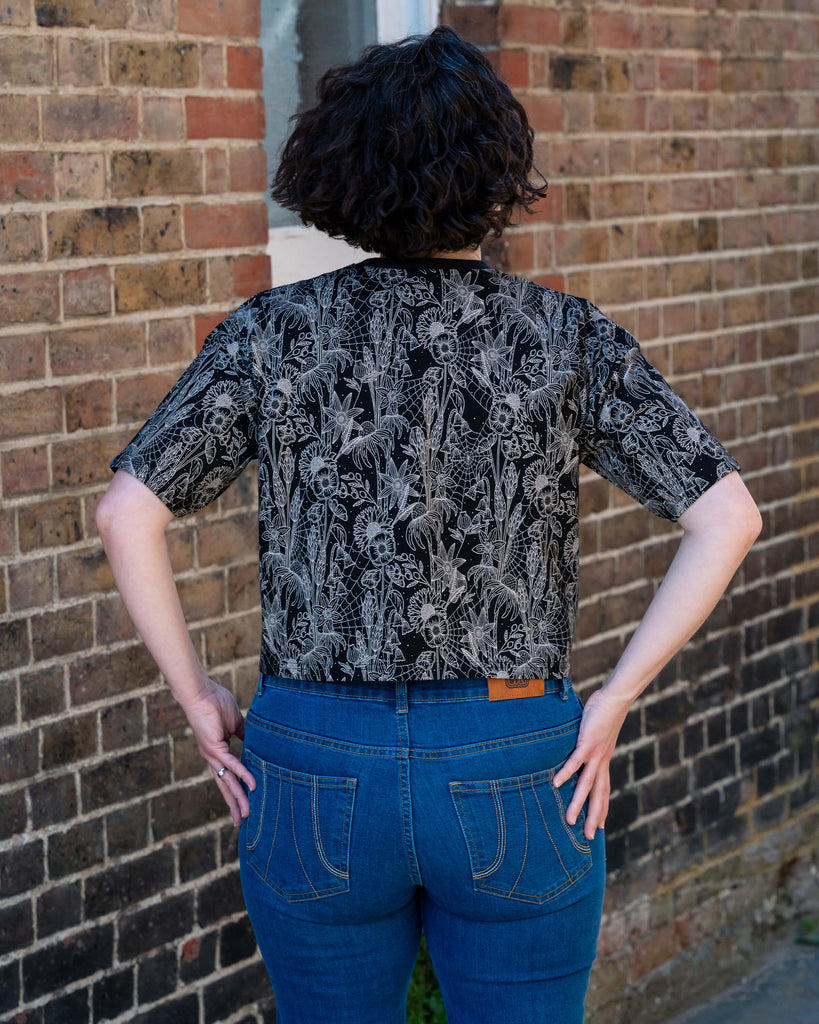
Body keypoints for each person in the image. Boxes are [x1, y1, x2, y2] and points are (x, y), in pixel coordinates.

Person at [97, 26, 761, 1024]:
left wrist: (196, 695)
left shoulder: (269, 334)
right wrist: (616, 696)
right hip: (514, 740)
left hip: (314, 755)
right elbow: (729, 516)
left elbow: (125, 513)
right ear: (497, 172)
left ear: (339, 172)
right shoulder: (566, 337)